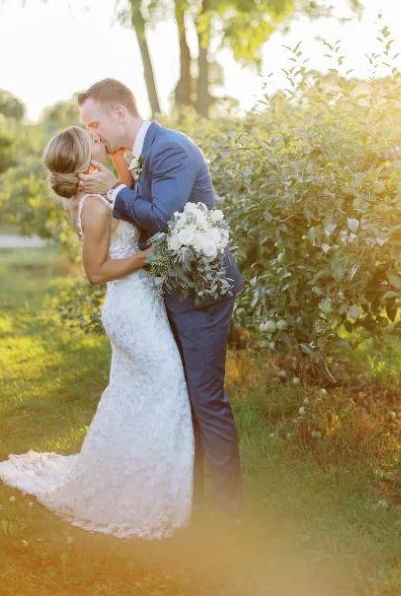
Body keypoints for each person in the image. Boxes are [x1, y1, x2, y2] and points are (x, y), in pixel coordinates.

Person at [0, 125, 194, 540]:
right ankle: (148, 494)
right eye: (93, 136)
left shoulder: (97, 194)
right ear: (85, 156)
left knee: (135, 395)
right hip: (129, 309)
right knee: (167, 386)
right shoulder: (95, 206)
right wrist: (145, 257)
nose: (99, 136)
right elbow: (96, 272)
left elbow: (129, 188)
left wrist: (118, 163)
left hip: (139, 306)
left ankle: (140, 479)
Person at [78, 78, 244, 523]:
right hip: (174, 289)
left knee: (206, 398)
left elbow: (161, 217)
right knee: (186, 396)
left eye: (96, 124)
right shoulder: (143, 153)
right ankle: (189, 498)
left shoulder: (169, 148)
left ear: (119, 114)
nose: (94, 135)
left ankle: (228, 515)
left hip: (201, 292)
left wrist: (113, 190)